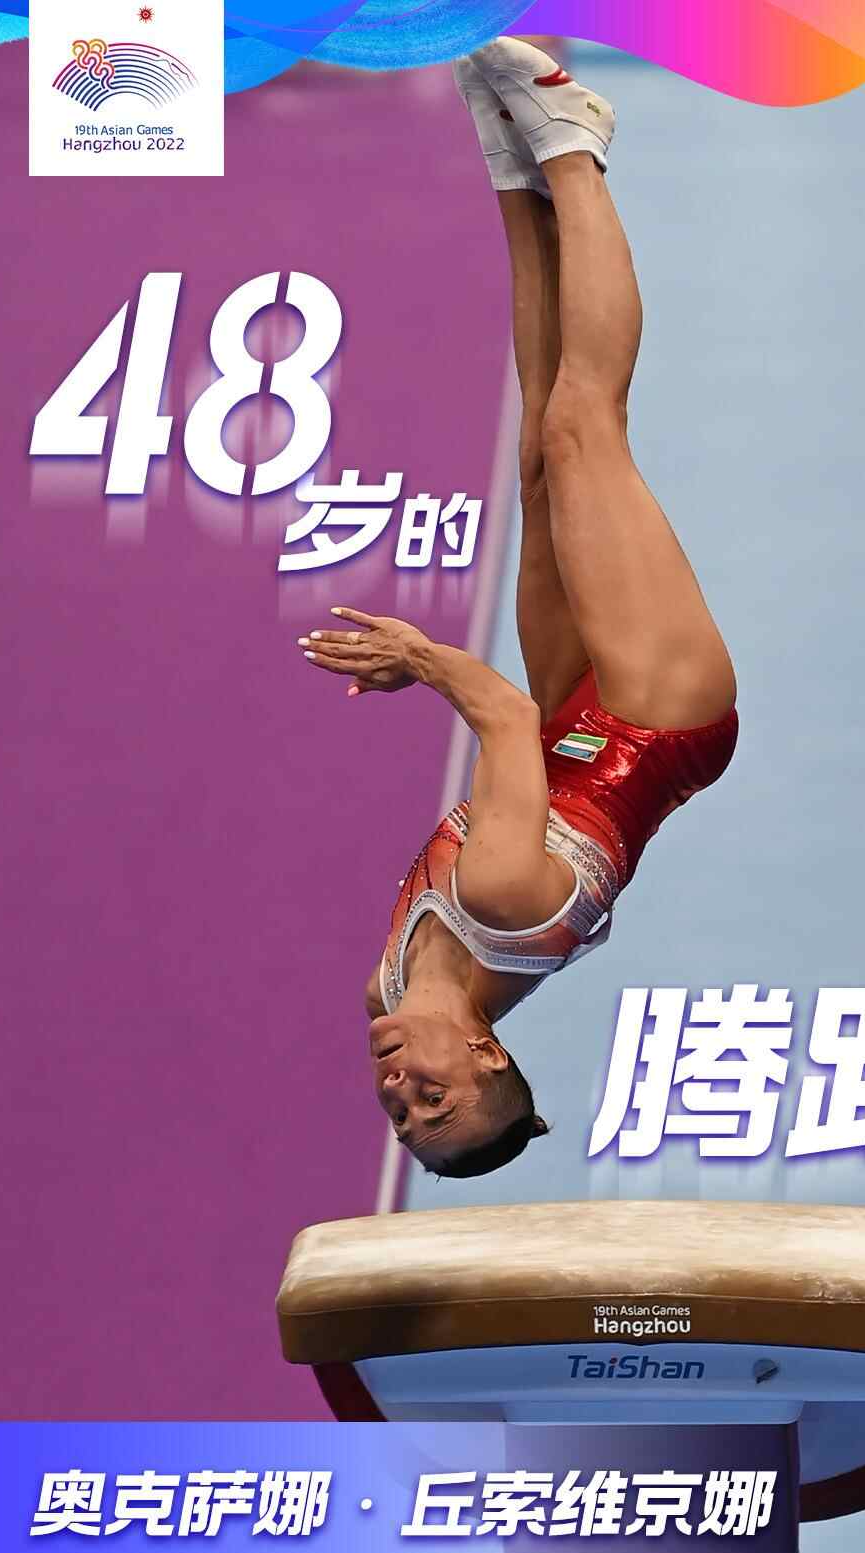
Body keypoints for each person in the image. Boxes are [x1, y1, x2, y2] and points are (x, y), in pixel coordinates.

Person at [300, 37, 738, 1178]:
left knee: (539, 455)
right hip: (660, 717)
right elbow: (497, 712)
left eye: (403, 1117)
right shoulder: (502, 902)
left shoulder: (387, 986)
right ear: (490, 1055)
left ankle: (511, 167)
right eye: (436, 1099)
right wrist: (416, 655)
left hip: (568, 731)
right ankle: (575, 148)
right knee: (586, 428)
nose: (401, 1093)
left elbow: (521, 731)